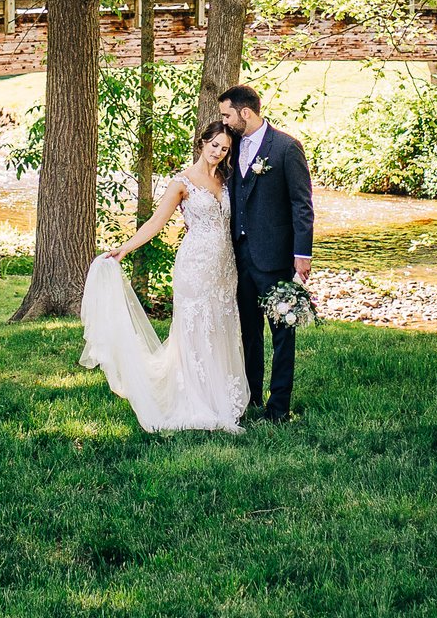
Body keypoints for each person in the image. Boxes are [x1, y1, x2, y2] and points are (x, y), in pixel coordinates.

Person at [77, 121, 249, 434]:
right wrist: (125, 248)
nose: (218, 152)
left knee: (220, 326)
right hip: (195, 266)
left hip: (225, 268)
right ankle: (194, 397)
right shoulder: (182, 182)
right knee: (195, 327)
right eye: (214, 145)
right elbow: (156, 222)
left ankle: (218, 395)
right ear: (202, 142)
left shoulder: (226, 179)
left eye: (224, 149)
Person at [218, 84, 313, 422]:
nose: (224, 121)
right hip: (240, 256)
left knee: (282, 333)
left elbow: (301, 204)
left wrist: (302, 254)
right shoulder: (231, 147)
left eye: (227, 115)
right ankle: (251, 397)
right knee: (248, 332)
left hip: (274, 258)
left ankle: (279, 407)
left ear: (245, 112)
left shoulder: (286, 147)